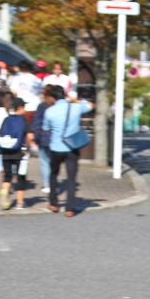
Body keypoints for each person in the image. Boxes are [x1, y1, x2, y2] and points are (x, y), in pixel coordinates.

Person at [42, 88, 94, 217]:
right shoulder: (76, 107)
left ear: (53, 98)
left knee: (53, 175)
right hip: (72, 147)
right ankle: (69, 209)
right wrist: (75, 100)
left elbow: (46, 128)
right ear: (65, 95)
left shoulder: (49, 112)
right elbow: (91, 106)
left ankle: (53, 203)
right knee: (71, 178)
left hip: (56, 148)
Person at [0, 98, 32, 210]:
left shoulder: (6, 120)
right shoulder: (24, 121)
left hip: (5, 152)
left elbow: (0, 134)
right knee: (20, 177)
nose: (25, 109)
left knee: (7, 176)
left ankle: (4, 192)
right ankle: (20, 203)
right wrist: (28, 147)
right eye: (24, 107)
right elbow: (30, 136)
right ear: (20, 108)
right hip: (19, 153)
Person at [30, 85, 60, 194]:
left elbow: (37, 122)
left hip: (44, 138)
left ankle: (47, 185)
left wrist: (35, 136)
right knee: (54, 163)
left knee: (44, 162)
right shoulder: (58, 107)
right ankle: (54, 184)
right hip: (57, 138)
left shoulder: (42, 106)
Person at [8, 59, 43, 124]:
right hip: (34, 107)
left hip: (20, 108)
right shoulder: (36, 79)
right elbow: (41, 93)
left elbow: (13, 91)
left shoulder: (17, 78)